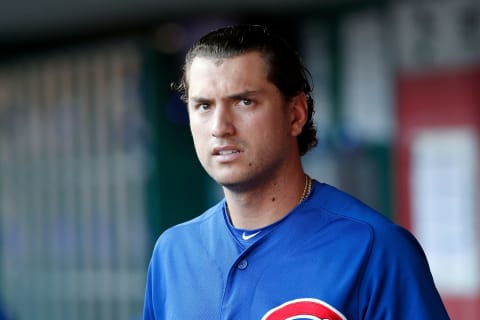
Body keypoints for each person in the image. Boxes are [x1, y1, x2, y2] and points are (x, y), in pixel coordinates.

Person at [143, 24, 450, 319]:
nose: (220, 127)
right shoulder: (173, 253)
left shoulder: (375, 249)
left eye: (244, 102)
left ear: (296, 114)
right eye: (204, 106)